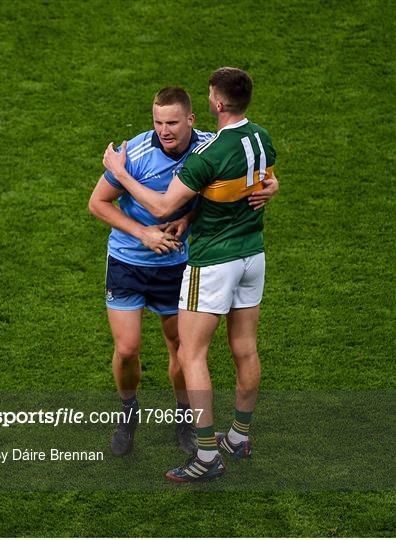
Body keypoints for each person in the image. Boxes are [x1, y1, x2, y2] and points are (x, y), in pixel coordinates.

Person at [102, 67, 278, 481]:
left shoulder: (206, 153)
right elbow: (263, 175)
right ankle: (237, 436)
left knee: (189, 354)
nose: (164, 129)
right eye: (158, 122)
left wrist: (121, 172)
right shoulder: (261, 137)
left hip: (212, 261)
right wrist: (271, 186)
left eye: (172, 122)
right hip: (252, 256)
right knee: (245, 349)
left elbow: (164, 207)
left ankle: (204, 454)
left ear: (212, 106)